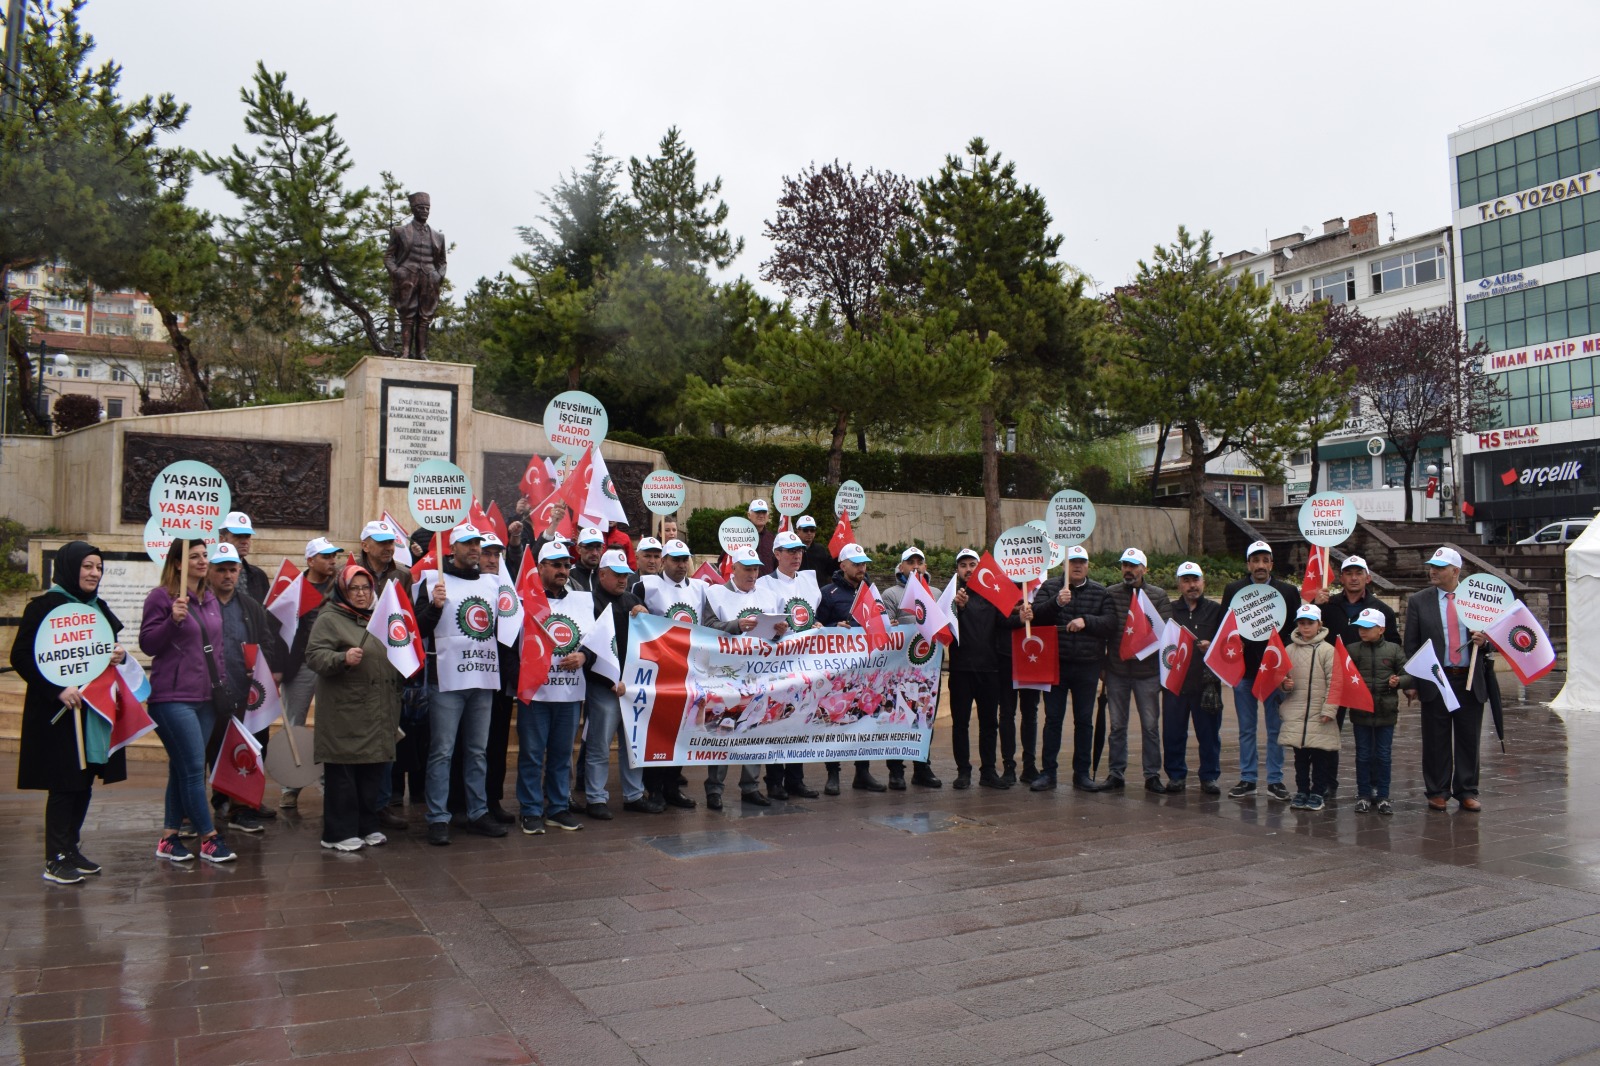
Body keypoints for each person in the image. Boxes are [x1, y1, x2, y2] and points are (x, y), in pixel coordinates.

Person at [13, 542, 130, 884]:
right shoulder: (43, 608)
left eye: (99, 567)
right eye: (87, 566)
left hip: (92, 712)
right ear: (69, 567)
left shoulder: (98, 608)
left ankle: (71, 849)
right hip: (60, 713)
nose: (95, 573)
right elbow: (21, 656)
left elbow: (106, 652)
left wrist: (117, 654)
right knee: (64, 784)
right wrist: (57, 690)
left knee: (84, 780)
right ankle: (55, 857)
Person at [140, 538, 235, 864]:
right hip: (172, 698)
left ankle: (169, 838)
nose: (202, 561)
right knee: (194, 769)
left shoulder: (209, 599)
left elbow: (216, 649)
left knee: (181, 769)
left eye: (204, 555)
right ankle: (209, 838)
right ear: (178, 564)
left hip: (207, 698)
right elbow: (149, 644)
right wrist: (172, 620)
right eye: (194, 556)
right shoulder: (161, 598)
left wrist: (221, 684)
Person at [414, 521, 507, 845]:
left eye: (476, 544)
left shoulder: (492, 584)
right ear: (452, 549)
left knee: (477, 752)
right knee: (442, 751)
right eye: (467, 544)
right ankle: (438, 817)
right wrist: (435, 607)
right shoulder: (434, 582)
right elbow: (418, 628)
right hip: (447, 682)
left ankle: (477, 812)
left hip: (481, 680)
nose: (474, 549)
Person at [305, 563, 403, 850]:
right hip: (344, 712)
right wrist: (341, 658)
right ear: (342, 590)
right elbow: (314, 656)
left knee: (371, 772)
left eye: (365, 587)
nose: (360, 594)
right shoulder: (330, 618)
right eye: (354, 588)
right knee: (344, 775)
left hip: (377, 709)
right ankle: (338, 832)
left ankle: (367, 825)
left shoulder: (380, 617)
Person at [202, 543, 285, 835]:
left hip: (241, 691)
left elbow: (267, 641)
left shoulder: (251, 607)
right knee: (204, 750)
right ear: (209, 571)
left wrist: (260, 662)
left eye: (232, 569)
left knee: (243, 749)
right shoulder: (198, 603)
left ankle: (241, 809)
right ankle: (196, 812)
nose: (227, 575)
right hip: (203, 694)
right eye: (221, 569)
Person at [1404, 547, 1490, 813]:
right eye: (1432, 566)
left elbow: (1494, 637)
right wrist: (1414, 682)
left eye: (1440, 567)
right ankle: (1437, 790)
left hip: (1468, 679)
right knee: (1435, 738)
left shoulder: (1476, 599)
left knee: (1468, 738)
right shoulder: (1420, 601)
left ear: (1455, 571)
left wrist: (1484, 642)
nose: (1433, 571)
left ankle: (1466, 790)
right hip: (1436, 679)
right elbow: (1412, 644)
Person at [517, 541, 594, 835]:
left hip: (569, 694)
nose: (563, 571)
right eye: (557, 565)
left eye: (566, 566)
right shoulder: (524, 600)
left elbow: (596, 639)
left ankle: (558, 808)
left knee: (562, 754)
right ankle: (531, 810)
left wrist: (584, 655)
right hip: (535, 693)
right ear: (540, 568)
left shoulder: (581, 602)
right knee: (532, 754)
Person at [704, 546, 787, 807]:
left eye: (755, 569)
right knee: (722, 728)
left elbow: (777, 635)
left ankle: (750, 786)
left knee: (756, 727)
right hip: (726, 674)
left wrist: (780, 630)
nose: (752, 574)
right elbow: (705, 627)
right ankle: (715, 789)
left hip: (759, 673)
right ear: (734, 568)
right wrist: (734, 626)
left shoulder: (768, 595)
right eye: (747, 568)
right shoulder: (715, 594)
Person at [1030, 545, 1117, 792]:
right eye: (1073, 562)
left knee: (1084, 721)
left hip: (1088, 666)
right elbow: (1036, 617)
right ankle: (1048, 773)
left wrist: (1086, 621)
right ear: (1064, 565)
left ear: (1088, 566)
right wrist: (1057, 603)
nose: (1077, 566)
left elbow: (1110, 623)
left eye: (1082, 562)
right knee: (1053, 719)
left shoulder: (1101, 592)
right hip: (1056, 664)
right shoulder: (1050, 588)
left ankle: (1082, 774)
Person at [1219, 541, 1299, 802]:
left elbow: (1294, 630)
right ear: (1248, 564)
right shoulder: (1234, 590)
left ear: (1272, 564)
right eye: (1255, 560)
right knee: (1246, 728)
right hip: (1244, 672)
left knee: (1276, 728)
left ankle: (1275, 780)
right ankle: (1248, 778)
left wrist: (1284, 659)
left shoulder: (1287, 591)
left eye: (1265, 560)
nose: (1260, 565)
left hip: (1275, 672)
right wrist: (1233, 641)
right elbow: (1224, 627)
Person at [583, 549, 661, 818]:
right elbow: (590, 645)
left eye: (625, 575)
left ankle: (634, 794)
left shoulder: (631, 599)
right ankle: (595, 797)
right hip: (603, 685)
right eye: (616, 575)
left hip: (632, 685)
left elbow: (647, 640)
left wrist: (645, 614)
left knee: (632, 744)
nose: (622, 580)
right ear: (602, 574)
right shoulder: (589, 602)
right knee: (599, 744)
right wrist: (608, 681)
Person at [354, 518, 412, 831]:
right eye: (380, 541)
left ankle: (383, 803)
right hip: (359, 665)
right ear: (365, 545)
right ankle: (358, 804)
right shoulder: (350, 574)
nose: (388, 547)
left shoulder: (403, 575)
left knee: (389, 734)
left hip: (391, 666)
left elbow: (410, 621)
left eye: (391, 541)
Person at [817, 542, 888, 794]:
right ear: (842, 565)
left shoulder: (871, 591)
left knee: (864, 718)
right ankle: (833, 773)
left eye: (864, 563)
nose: (861, 567)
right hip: (838, 670)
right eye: (856, 563)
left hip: (867, 669)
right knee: (835, 720)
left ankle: (863, 772)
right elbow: (819, 626)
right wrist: (834, 626)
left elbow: (883, 622)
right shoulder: (828, 593)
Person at [758, 531, 824, 798]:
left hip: (805, 661)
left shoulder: (809, 582)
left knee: (801, 717)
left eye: (799, 551)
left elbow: (812, 616)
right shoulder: (764, 584)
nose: (797, 555)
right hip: (778, 662)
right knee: (776, 717)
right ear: (777, 554)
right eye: (790, 551)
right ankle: (774, 780)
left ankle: (796, 778)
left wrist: (817, 625)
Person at [277, 536, 341, 809]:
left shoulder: (342, 585)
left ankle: (331, 782)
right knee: (295, 723)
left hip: (332, 662)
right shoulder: (292, 588)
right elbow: (278, 629)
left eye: (334, 556)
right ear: (310, 560)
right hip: (300, 665)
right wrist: (278, 667)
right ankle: (290, 786)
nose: (332, 561)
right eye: (326, 557)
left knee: (333, 724)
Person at [637, 539, 701, 810]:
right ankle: (654, 788)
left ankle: (673, 786)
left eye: (685, 559)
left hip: (690, 669)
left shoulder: (700, 589)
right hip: (659, 670)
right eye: (675, 560)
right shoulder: (646, 586)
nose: (681, 565)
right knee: (658, 730)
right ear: (663, 561)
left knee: (682, 729)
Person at [1102, 547, 1173, 792]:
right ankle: (1115, 773)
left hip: (1148, 673)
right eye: (1125, 565)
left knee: (1150, 726)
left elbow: (1163, 632)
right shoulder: (1110, 593)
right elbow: (1106, 629)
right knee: (1117, 726)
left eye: (1133, 566)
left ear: (1144, 569)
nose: (1128, 570)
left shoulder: (1158, 595)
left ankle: (1151, 774)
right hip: (1117, 671)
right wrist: (1104, 665)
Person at [877, 546, 943, 789]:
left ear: (925, 567)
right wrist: (892, 626)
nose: (915, 566)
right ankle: (896, 770)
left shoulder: (935, 593)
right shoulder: (891, 594)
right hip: (900, 672)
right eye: (910, 562)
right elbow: (886, 629)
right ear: (901, 567)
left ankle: (922, 767)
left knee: (925, 719)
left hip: (929, 671)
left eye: (919, 562)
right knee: (898, 717)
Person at [1160, 561, 1224, 794]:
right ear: (1179, 585)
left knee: (1209, 734)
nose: (1191, 585)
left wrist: (1213, 646)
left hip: (1206, 684)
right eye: (1186, 581)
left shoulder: (1216, 611)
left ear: (1203, 582)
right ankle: (1176, 775)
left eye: (1195, 580)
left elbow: (1228, 643)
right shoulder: (1169, 610)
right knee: (1173, 733)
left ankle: (1209, 777)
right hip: (1175, 683)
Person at [946, 548, 1003, 791]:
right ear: (957, 571)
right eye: (963, 565)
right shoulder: (951, 597)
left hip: (990, 669)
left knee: (990, 723)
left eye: (972, 564)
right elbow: (943, 628)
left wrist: (1023, 616)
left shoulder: (994, 594)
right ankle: (963, 771)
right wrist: (958, 608)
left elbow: (1006, 622)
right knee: (960, 723)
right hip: (961, 671)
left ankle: (988, 771)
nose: (968, 569)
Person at [1343, 607, 1410, 816]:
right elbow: (1342, 675)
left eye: (1368, 627)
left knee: (1383, 754)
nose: (1362, 631)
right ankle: (1363, 794)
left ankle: (1383, 795)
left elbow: (1407, 672)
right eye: (1360, 627)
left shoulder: (1393, 650)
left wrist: (1399, 681)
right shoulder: (1352, 649)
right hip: (1360, 710)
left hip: (1386, 710)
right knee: (1363, 754)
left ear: (1381, 629)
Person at [1279, 604, 1337, 811]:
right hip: (1296, 711)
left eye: (1310, 623)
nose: (1305, 627)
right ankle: (1302, 790)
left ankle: (1318, 792)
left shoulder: (1328, 651)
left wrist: (1329, 710)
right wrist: (1284, 685)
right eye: (1302, 623)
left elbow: (1335, 682)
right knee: (1300, 757)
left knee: (1320, 756)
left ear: (1319, 624)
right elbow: (1281, 677)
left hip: (1319, 713)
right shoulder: (1289, 649)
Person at [383, 190, 447, 358]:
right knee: (407, 315)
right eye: (421, 208)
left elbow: (442, 262)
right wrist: (396, 272)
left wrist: (439, 275)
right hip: (407, 276)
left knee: (425, 317)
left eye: (427, 208)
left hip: (429, 278)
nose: (424, 211)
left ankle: (421, 352)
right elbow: (389, 256)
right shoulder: (400, 231)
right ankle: (405, 350)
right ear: (413, 209)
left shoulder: (438, 236)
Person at [218, 511, 269, 603]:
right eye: (238, 536)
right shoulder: (208, 574)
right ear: (222, 539)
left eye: (247, 536)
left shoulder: (259, 576)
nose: (244, 541)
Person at [569, 527, 605, 592]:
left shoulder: (607, 576)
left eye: (598, 547)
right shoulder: (568, 575)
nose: (594, 553)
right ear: (578, 549)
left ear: (602, 549)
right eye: (589, 547)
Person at [747, 499, 777, 574]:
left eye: (764, 512)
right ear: (749, 515)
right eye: (757, 512)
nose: (761, 515)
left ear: (768, 516)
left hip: (768, 584)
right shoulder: (739, 537)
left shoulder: (772, 539)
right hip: (745, 584)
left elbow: (777, 564)